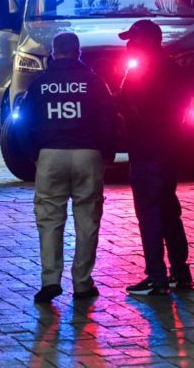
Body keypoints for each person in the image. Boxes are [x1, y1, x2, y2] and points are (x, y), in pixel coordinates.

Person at [17, 32, 117, 303]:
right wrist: (106, 153)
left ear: (53, 52)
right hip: (88, 154)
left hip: (50, 155)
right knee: (87, 221)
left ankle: (50, 281)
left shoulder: (40, 83)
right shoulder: (94, 82)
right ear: (78, 52)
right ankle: (82, 283)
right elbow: (109, 120)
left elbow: (23, 122)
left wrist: (34, 155)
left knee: (49, 220)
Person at [117, 19, 194, 295]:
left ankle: (156, 277)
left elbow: (129, 106)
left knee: (149, 212)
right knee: (169, 209)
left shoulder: (142, 72)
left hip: (147, 150)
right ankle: (180, 271)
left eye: (133, 40)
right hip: (171, 149)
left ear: (147, 42)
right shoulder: (175, 68)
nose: (128, 46)